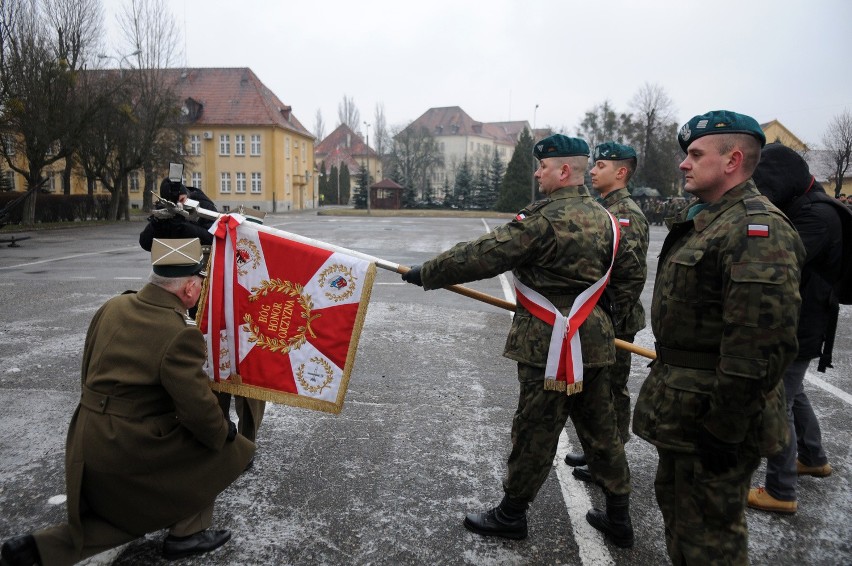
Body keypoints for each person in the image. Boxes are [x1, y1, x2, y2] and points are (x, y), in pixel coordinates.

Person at [401, 134, 644, 547]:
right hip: (596, 339)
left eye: (543, 167)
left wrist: (428, 272)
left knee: (535, 430)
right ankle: (619, 516)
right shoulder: (606, 218)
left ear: (563, 170)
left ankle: (511, 515)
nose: (536, 173)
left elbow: (482, 254)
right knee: (602, 429)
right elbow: (630, 277)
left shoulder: (544, 220)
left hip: (548, 344)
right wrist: (606, 322)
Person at [0, 238, 255, 566]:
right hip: (126, 447)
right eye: (201, 283)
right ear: (190, 289)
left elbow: (88, 367)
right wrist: (227, 433)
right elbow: (199, 412)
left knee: (125, 513)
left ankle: (40, 548)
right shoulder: (180, 334)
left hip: (84, 436)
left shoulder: (114, 305)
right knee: (219, 445)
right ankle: (188, 532)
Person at [632, 111, 804, 565]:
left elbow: (759, 346)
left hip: (715, 418)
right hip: (688, 411)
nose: (684, 164)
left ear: (732, 160)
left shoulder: (754, 230)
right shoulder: (713, 219)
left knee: (709, 542)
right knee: (685, 525)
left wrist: (725, 429)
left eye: (694, 154)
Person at [746, 143, 840, 514]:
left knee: (778, 402)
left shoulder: (818, 215)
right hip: (802, 319)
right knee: (795, 393)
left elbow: (779, 261)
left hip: (802, 323)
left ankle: (780, 490)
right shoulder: (807, 206)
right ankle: (814, 457)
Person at [565, 142, 649, 485]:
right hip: (600, 314)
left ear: (621, 172)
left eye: (600, 165)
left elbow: (629, 277)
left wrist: (610, 316)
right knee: (598, 390)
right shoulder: (605, 208)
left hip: (615, 318)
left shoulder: (625, 213)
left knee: (612, 390)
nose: (593, 171)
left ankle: (611, 461)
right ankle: (599, 450)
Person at [215, 208, 268, 452]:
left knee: (251, 396)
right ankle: (221, 436)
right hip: (223, 333)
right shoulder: (221, 250)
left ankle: (245, 445)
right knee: (218, 389)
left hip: (252, 337)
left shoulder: (267, 258)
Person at [139, 177, 217, 252]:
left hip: (201, 260)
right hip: (170, 260)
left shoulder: (204, 205)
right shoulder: (166, 211)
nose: (180, 205)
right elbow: (145, 244)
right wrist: (157, 223)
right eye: (174, 203)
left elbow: (214, 239)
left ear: (187, 195)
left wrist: (184, 226)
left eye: (182, 200)